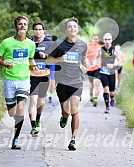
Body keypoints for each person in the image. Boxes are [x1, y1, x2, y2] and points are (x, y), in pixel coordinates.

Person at [0, 15, 37, 149]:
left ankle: (16, 139)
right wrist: (4, 63)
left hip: (24, 80)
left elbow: (30, 59)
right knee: (12, 112)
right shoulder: (6, 43)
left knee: (21, 108)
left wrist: (33, 66)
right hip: (9, 81)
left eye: (25, 24)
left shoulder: (31, 44)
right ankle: (16, 121)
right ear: (15, 26)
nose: (22, 26)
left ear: (27, 27)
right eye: (20, 24)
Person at [47, 17, 88, 150]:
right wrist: (59, 58)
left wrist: (86, 63)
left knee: (75, 109)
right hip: (62, 81)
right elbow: (48, 61)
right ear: (66, 30)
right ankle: (64, 117)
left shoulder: (82, 45)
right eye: (70, 27)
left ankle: (73, 140)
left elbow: (83, 59)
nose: (72, 29)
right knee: (67, 112)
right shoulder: (58, 43)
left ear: (78, 29)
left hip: (76, 81)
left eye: (75, 27)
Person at [28, 21, 53, 137]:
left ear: (43, 30)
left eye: (40, 29)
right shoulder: (30, 42)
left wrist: (46, 55)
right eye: (36, 29)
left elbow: (56, 57)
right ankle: (33, 126)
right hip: (32, 74)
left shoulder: (49, 42)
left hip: (44, 74)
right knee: (32, 101)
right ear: (33, 31)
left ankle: (38, 118)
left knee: (41, 102)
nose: (38, 32)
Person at [98, 33, 122, 114]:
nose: (107, 41)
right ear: (103, 40)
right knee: (106, 90)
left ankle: (112, 97)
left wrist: (113, 65)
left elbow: (120, 60)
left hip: (111, 72)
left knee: (112, 92)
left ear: (111, 40)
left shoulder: (114, 50)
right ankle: (107, 107)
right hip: (103, 72)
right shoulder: (100, 49)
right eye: (105, 39)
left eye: (109, 39)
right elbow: (96, 59)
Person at [86, 34, 102, 107]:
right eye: (94, 39)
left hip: (98, 67)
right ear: (92, 40)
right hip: (90, 68)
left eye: (97, 39)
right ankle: (91, 94)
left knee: (97, 82)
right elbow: (84, 56)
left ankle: (96, 98)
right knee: (92, 84)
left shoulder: (100, 47)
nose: (95, 40)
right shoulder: (88, 47)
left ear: (98, 40)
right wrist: (93, 54)